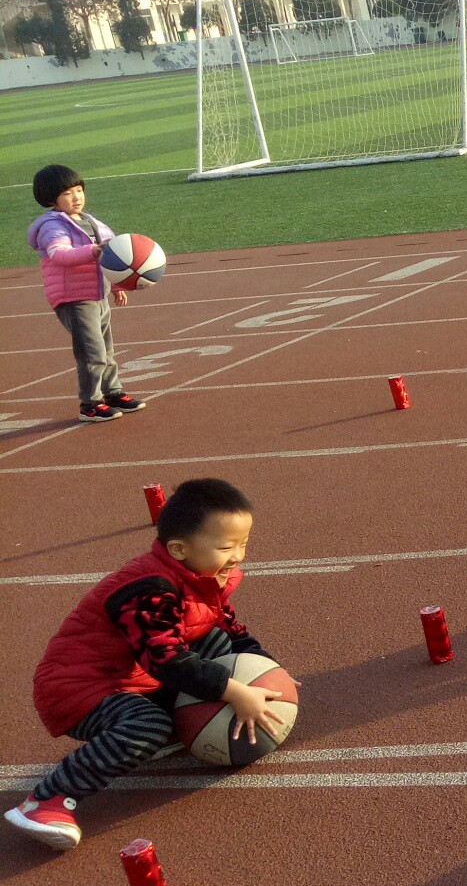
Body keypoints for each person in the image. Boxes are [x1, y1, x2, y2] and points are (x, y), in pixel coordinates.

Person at [7, 479, 287, 851]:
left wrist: (270, 673)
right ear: (179, 549)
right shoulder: (147, 589)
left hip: (133, 673)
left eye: (243, 544)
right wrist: (236, 692)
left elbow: (230, 629)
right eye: (226, 547)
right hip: (80, 688)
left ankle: (166, 728)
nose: (237, 556)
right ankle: (47, 799)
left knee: (216, 642)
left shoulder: (202, 576)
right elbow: (166, 661)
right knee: (148, 724)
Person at [27, 165, 143, 423]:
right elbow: (60, 254)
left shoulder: (89, 221)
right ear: (50, 198)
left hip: (97, 295)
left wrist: (117, 285)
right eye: (67, 193)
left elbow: (111, 253)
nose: (76, 197)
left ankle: (112, 393)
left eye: (79, 190)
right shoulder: (52, 226)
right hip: (74, 298)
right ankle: (90, 403)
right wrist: (93, 251)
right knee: (92, 353)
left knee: (106, 350)